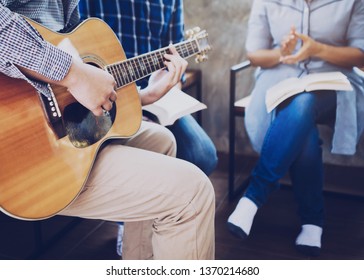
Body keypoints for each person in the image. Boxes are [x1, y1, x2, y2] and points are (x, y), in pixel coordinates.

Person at [0, 1, 215, 260]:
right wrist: (73, 74)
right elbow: (73, 72)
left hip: (64, 128)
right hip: (23, 149)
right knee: (193, 193)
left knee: (162, 140)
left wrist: (144, 96)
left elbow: (75, 66)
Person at [78, 0, 218, 257]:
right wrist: (133, 108)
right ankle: (131, 214)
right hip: (101, 102)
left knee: (203, 154)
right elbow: (74, 51)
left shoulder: (170, 3)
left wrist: (169, 84)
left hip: (154, 97)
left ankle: (156, 223)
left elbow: (173, 61)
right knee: (187, 180)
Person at [227, 0, 364, 256]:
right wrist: (282, 52)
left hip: (335, 80)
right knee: (303, 121)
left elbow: (361, 55)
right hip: (280, 77)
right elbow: (255, 54)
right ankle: (312, 220)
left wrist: (317, 49)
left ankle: (254, 195)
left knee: (304, 100)